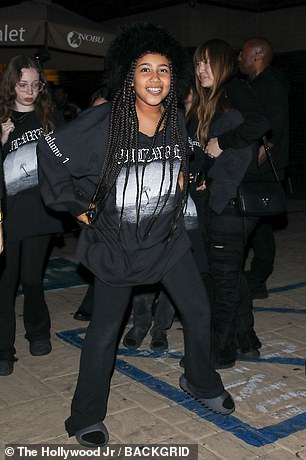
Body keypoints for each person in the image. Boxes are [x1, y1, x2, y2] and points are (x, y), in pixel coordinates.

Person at [37, 23, 235, 448]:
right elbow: (50, 151)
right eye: (145, 69)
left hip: (167, 242)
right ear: (129, 75)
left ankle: (199, 381)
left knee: (199, 314)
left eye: (163, 70)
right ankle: (86, 416)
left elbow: (182, 157)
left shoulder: (174, 119)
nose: (155, 79)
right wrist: (77, 207)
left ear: (173, 77)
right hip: (117, 248)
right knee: (105, 333)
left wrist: (181, 179)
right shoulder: (103, 121)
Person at [187, 39, 270, 369]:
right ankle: (246, 340)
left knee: (221, 281)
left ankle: (218, 353)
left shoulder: (233, 90)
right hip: (217, 199)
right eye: (197, 63)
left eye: (207, 62)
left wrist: (223, 143)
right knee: (229, 275)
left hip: (231, 204)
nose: (201, 69)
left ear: (222, 65)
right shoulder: (209, 101)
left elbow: (258, 124)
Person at [0, 55, 63, 376]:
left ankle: (38, 332)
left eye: (35, 85)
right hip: (7, 215)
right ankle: (3, 350)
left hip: (40, 211)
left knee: (31, 278)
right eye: (22, 85)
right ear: (11, 84)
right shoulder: (1, 118)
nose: (28, 91)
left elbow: (69, 157)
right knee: (5, 281)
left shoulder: (49, 117)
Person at [238, 37, 289, 299]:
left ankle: (258, 279)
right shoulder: (258, 83)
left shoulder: (270, 84)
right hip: (259, 168)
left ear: (257, 56)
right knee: (258, 225)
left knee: (259, 224)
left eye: (243, 53)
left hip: (264, 169)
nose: (239, 58)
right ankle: (256, 277)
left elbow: (272, 133)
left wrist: (250, 164)